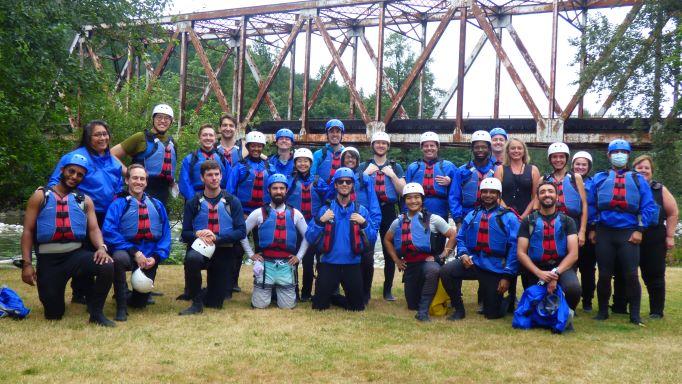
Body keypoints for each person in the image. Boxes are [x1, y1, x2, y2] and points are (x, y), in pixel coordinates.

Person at [20, 154, 115, 326]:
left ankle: (96, 313)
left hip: (76, 256)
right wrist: (27, 264)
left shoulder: (85, 200)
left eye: (79, 174)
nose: (74, 177)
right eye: (71, 171)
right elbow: (28, 231)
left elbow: (94, 229)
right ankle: (54, 299)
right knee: (54, 314)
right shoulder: (41, 196)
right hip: (50, 260)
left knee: (107, 264)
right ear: (62, 170)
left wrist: (101, 248)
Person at [48, 120, 123, 304]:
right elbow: (54, 183)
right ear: (88, 138)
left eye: (105, 134)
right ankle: (80, 292)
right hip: (82, 212)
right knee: (84, 252)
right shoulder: (74, 157)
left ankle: (109, 290)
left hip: (108, 214)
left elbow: (119, 186)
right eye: (97, 134)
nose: (102, 138)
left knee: (106, 251)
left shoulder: (113, 161)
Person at [590, 139, 658, 325]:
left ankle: (634, 315)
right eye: (615, 152)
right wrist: (593, 227)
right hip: (604, 232)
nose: (619, 155)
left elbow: (648, 206)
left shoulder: (638, 180)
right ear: (609, 155)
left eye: (623, 152)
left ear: (628, 155)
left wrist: (639, 229)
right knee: (604, 274)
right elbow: (590, 204)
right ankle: (603, 311)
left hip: (628, 232)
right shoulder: (600, 178)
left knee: (631, 274)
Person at [439, 178, 519, 320]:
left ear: (498, 195)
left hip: (495, 267)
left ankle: (508, 300)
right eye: (485, 192)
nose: (488, 195)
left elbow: (515, 248)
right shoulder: (472, 215)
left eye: (492, 192)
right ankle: (459, 308)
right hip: (474, 262)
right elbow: (461, 237)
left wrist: (507, 276)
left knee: (492, 315)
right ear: (480, 194)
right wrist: (463, 254)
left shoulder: (509, 217)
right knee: (446, 271)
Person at [102, 164, 171, 321]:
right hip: (126, 251)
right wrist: (134, 252)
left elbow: (165, 236)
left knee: (140, 304)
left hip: (149, 255)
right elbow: (109, 232)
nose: (138, 182)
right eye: (135, 178)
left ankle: (131, 296)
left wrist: (156, 257)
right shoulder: (118, 204)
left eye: (142, 179)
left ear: (146, 182)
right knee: (118, 259)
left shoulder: (157, 205)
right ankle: (121, 306)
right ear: (127, 180)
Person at [612, 155, 678, 319]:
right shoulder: (625, 186)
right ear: (633, 170)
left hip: (653, 237)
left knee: (654, 274)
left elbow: (673, 212)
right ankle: (620, 306)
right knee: (623, 272)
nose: (643, 170)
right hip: (628, 235)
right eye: (639, 167)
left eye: (646, 168)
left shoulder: (659, 189)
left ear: (652, 171)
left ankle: (656, 310)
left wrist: (670, 236)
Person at [305, 167, 378, 311]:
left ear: (352, 185)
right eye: (341, 182)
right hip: (329, 263)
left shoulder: (361, 210)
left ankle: (337, 297)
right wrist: (321, 221)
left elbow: (373, 238)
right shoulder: (325, 209)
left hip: (352, 264)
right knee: (319, 306)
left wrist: (364, 223)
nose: (345, 184)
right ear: (336, 185)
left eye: (348, 182)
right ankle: (329, 296)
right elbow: (309, 237)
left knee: (358, 307)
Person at [179, 160, 246, 315]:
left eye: (217, 174)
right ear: (202, 178)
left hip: (224, 251)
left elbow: (241, 231)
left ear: (221, 176)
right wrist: (197, 234)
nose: (214, 178)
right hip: (200, 249)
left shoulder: (232, 201)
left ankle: (203, 292)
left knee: (215, 304)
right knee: (192, 259)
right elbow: (185, 233)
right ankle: (196, 303)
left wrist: (217, 237)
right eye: (209, 175)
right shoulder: (193, 202)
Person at [383, 183, 456, 321]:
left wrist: (443, 255)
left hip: (428, 261)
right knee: (411, 304)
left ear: (422, 199)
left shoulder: (433, 219)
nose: (413, 201)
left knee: (433, 271)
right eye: (409, 198)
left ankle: (423, 312)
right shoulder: (398, 221)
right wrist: (396, 260)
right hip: (410, 265)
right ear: (404, 200)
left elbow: (453, 236)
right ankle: (420, 305)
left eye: (417, 197)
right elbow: (387, 240)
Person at [241, 174, 310, 309]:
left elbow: (308, 236)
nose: (278, 191)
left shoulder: (295, 213)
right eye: (275, 188)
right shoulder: (258, 213)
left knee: (287, 306)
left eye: (281, 188)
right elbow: (241, 233)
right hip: (265, 264)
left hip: (286, 264)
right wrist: (250, 254)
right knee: (260, 305)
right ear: (269, 190)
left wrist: (299, 256)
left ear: (286, 190)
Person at [516, 181, 581, 311]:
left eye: (550, 191)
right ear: (538, 197)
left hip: (560, 267)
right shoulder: (528, 221)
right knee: (534, 305)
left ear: (557, 196)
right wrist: (539, 273)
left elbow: (573, 254)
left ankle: (567, 312)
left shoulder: (568, 221)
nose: (547, 194)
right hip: (536, 268)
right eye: (542, 192)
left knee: (573, 289)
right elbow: (521, 253)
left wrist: (554, 274)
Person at [360, 131, 406, 301]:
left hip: (388, 210)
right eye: (377, 143)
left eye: (384, 143)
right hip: (369, 211)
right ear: (372, 145)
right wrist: (365, 174)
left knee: (389, 250)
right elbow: (355, 188)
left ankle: (387, 290)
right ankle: (366, 290)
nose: (380, 145)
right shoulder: (363, 166)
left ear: (388, 146)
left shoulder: (395, 167)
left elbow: (403, 191)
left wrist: (392, 175)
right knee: (367, 250)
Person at [226, 130, 273, 293]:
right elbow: (230, 192)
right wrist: (237, 213)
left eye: (259, 146)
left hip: (263, 213)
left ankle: (261, 280)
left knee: (262, 247)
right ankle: (232, 282)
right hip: (243, 213)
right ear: (248, 146)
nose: (256, 149)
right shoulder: (239, 166)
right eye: (253, 145)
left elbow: (275, 188)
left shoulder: (269, 166)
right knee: (238, 249)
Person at [337, 146, 381, 304]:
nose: (350, 160)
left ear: (357, 160)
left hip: (363, 221)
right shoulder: (337, 178)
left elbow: (373, 202)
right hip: (343, 223)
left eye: (353, 157)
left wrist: (373, 225)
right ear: (342, 160)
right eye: (347, 157)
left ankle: (365, 293)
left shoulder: (364, 178)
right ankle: (342, 290)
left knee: (367, 260)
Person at [110, 104, 176, 205]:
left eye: (167, 118)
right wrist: (129, 173)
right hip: (140, 189)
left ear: (171, 121)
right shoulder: (140, 137)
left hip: (163, 193)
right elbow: (111, 154)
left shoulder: (173, 143)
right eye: (159, 117)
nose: (163, 121)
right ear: (153, 119)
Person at [287, 148, 329, 302]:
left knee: (308, 261)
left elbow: (328, 201)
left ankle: (306, 293)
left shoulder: (318, 181)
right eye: (299, 161)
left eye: (306, 161)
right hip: (294, 226)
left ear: (311, 163)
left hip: (313, 226)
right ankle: (293, 291)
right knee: (292, 259)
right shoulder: (289, 180)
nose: (302, 164)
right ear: (295, 163)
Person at [541, 143, 588, 248]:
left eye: (561, 156)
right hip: (550, 224)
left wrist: (582, 231)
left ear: (566, 158)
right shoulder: (544, 179)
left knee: (572, 260)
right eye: (554, 157)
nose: (558, 160)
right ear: (550, 159)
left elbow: (584, 205)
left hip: (572, 224)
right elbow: (536, 205)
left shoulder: (576, 178)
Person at [405, 131, 458, 221]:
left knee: (439, 235)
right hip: (417, 209)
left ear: (437, 147)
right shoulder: (413, 167)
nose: (429, 148)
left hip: (440, 209)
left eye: (432, 145)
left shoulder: (449, 166)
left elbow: (458, 189)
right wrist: (405, 213)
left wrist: (451, 181)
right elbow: (405, 193)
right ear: (421, 148)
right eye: (426, 146)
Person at [452, 130, 497, 225]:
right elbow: (454, 196)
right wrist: (458, 220)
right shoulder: (462, 171)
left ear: (489, 149)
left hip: (492, 215)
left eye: (484, 147)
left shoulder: (497, 170)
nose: (480, 150)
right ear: (472, 149)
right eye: (477, 147)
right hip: (467, 215)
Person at [571, 151, 597, 311]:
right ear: (572, 165)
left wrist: (593, 228)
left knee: (587, 268)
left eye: (584, 164)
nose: (580, 167)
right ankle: (569, 299)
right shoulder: (567, 181)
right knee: (570, 266)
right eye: (577, 164)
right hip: (570, 228)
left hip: (588, 229)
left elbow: (597, 206)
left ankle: (587, 300)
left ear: (589, 167)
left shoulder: (594, 183)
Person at [178, 124, 227, 201]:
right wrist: (195, 201)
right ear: (199, 138)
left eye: (211, 135)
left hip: (219, 200)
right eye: (204, 135)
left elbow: (229, 181)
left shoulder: (222, 159)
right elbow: (184, 183)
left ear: (215, 138)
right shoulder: (190, 159)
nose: (208, 138)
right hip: (196, 199)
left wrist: (224, 199)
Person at [494, 138, 540, 218]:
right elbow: (497, 195)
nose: (516, 151)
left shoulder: (533, 170)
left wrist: (524, 216)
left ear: (524, 151)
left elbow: (536, 196)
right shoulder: (500, 169)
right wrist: (509, 213)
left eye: (519, 148)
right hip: (504, 216)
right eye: (513, 148)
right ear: (508, 151)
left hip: (527, 217)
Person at [311, 119, 345, 184]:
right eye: (331, 132)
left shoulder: (347, 154)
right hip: (322, 192)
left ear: (342, 135)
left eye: (338, 132)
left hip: (342, 191)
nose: (335, 134)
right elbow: (312, 174)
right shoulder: (318, 154)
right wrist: (321, 186)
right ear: (327, 134)